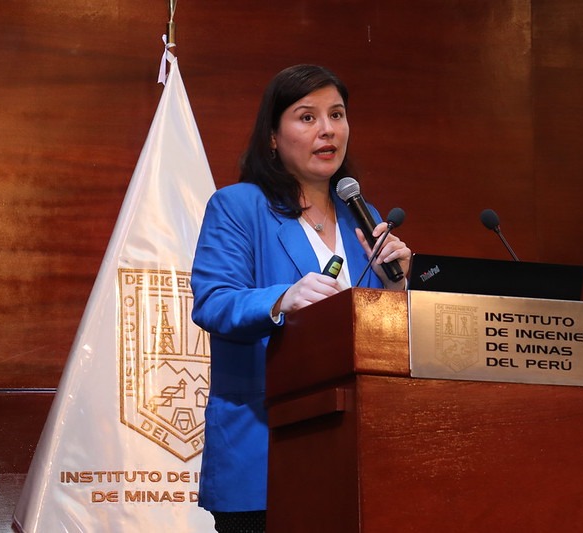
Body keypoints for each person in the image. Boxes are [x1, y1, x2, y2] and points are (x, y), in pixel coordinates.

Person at [190, 64, 411, 533]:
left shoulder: (364, 214)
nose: (328, 129)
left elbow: (373, 335)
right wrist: (281, 298)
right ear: (272, 136)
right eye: (307, 117)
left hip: (355, 454)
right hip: (263, 449)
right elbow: (213, 301)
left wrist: (396, 288)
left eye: (337, 114)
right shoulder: (238, 206)